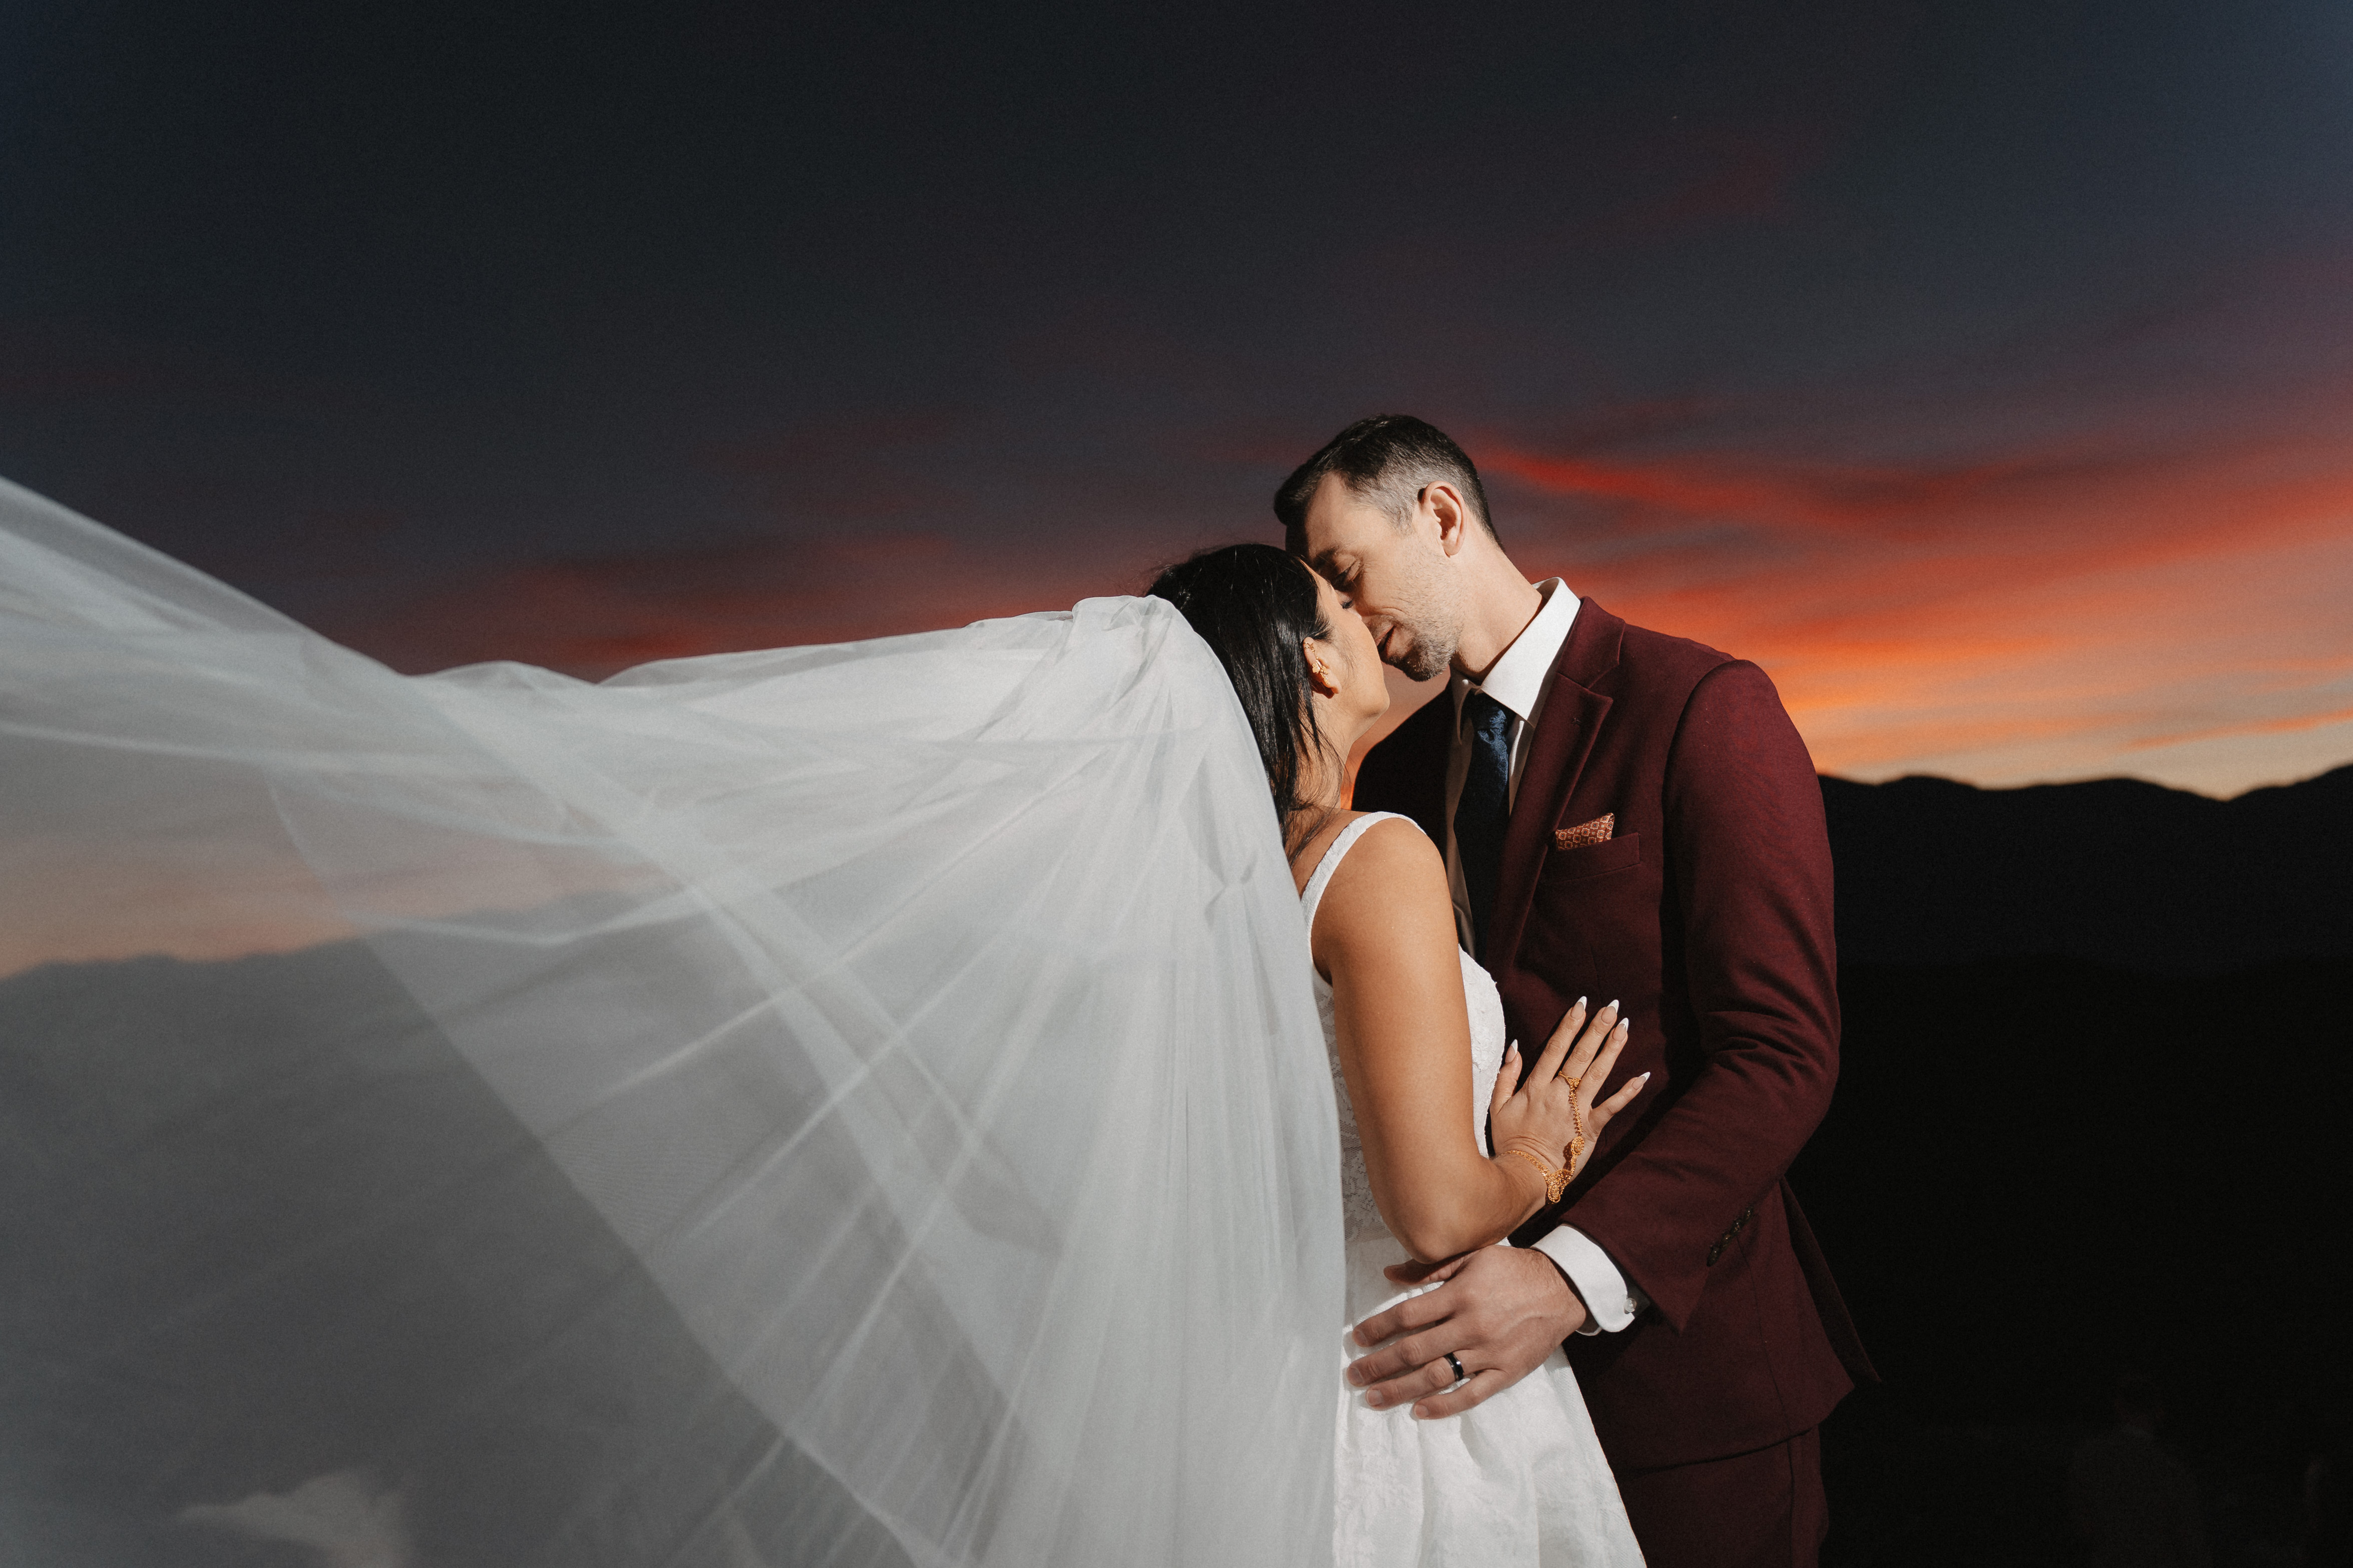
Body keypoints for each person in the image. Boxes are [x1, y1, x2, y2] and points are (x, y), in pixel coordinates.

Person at [1283, 416, 1875, 1568]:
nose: (1340, 618)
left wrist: (1568, 1275)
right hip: (1463, 1409)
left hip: (1683, 1385)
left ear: (1440, 516)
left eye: (1346, 573)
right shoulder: (1395, 772)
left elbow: (1783, 1054)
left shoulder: (1700, 704)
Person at [1151, 543, 1646, 1566]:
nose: (1364, 615)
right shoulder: (1369, 857)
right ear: (1316, 661)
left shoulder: (1177, 890)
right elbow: (1434, 1213)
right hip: (1396, 1377)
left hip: (1228, 1383)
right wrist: (1536, 1159)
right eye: (1338, 600)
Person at [2067, 1374, 2210, 1568]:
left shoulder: (2090, 1456)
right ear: (2159, 1411)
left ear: (2119, 1407)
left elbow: (2082, 1523)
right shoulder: (2170, 1465)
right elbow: (2189, 1535)